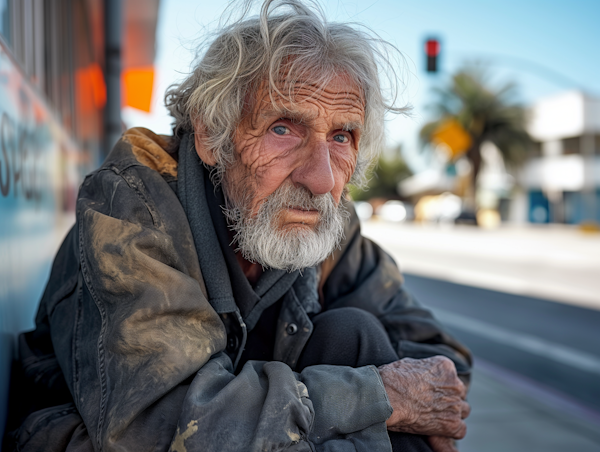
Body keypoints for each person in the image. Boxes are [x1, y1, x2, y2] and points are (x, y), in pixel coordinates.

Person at [6, 1, 472, 451]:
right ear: (212, 135)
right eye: (283, 128)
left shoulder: (322, 214)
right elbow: (159, 423)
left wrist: (402, 393)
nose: (321, 177)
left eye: (341, 136)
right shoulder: (131, 211)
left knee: (356, 335)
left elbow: (441, 367)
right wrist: (373, 397)